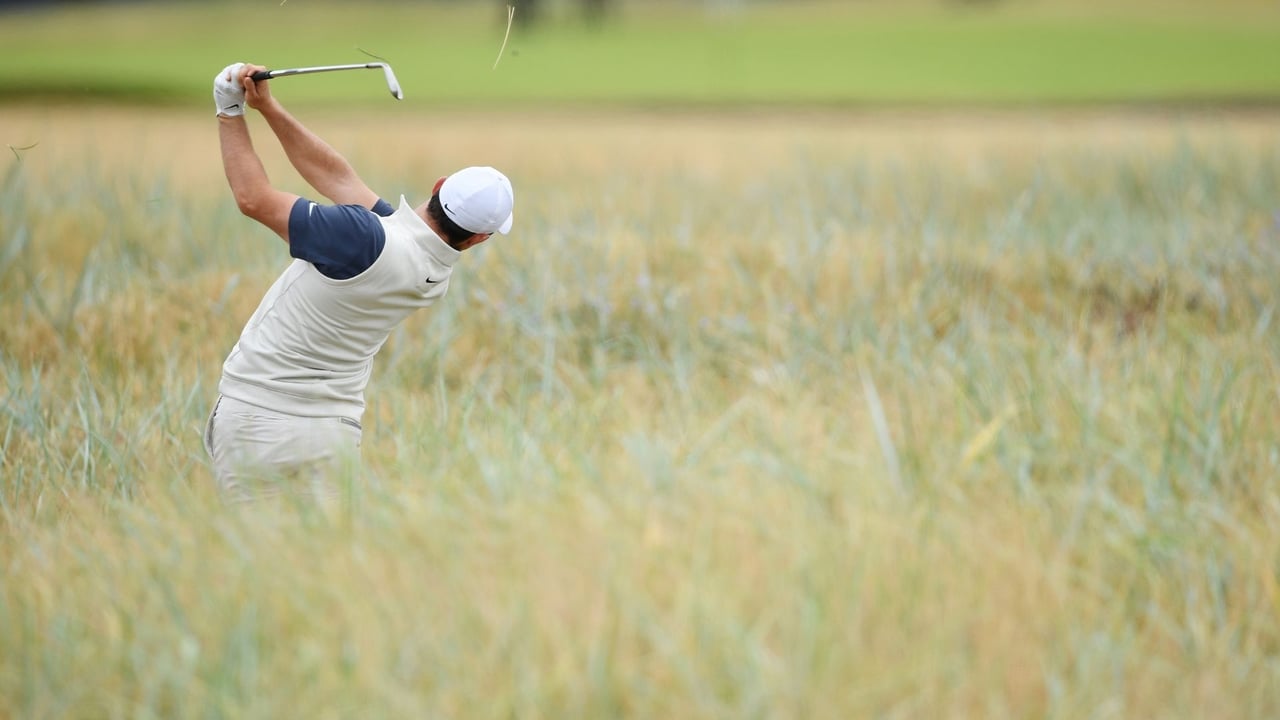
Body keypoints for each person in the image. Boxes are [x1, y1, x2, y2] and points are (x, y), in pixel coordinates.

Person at [204, 62, 515, 502]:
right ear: (479, 238)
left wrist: (229, 111)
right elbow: (338, 178)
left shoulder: (363, 237)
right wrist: (268, 108)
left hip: (260, 419)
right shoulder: (429, 270)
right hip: (333, 433)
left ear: (439, 185)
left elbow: (253, 199)